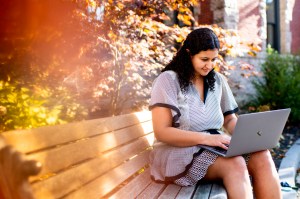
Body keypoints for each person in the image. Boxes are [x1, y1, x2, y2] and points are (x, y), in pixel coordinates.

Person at [148, 28, 282, 199]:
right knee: (235, 163)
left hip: (213, 146)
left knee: (262, 156)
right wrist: (208, 139)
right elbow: (162, 132)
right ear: (188, 54)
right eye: (204, 59)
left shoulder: (217, 80)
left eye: (213, 60)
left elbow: (229, 119)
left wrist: (250, 138)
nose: (209, 65)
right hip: (178, 153)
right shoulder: (168, 80)